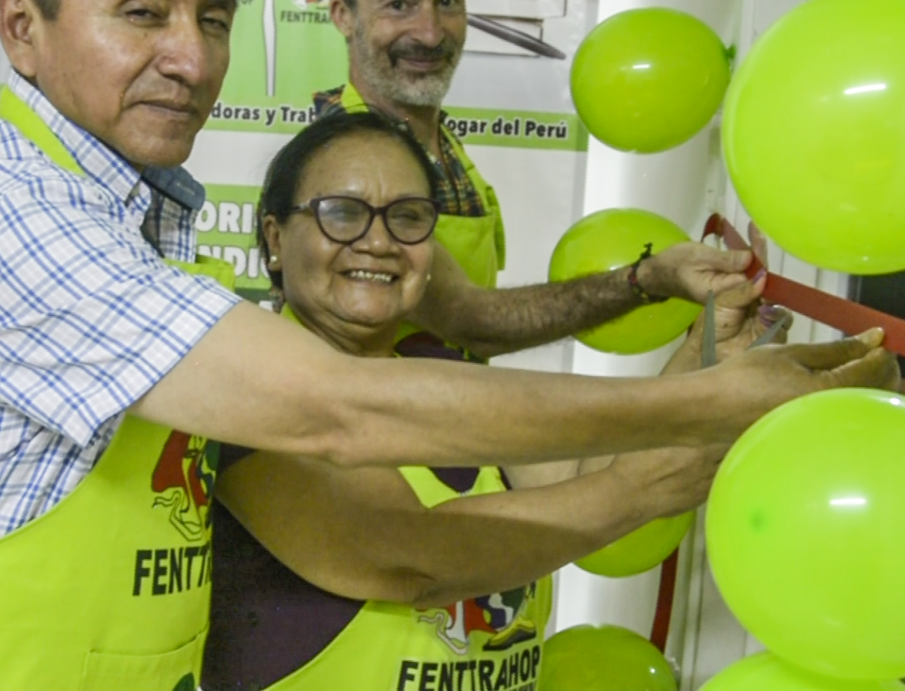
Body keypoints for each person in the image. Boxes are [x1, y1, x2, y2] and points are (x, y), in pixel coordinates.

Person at [0, 0, 896, 689]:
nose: (191, 59)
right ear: (21, 26)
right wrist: (703, 412)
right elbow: (365, 452)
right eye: (142, 12)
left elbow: (541, 434)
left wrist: (711, 361)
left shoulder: (131, 228)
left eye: (216, 16)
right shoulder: (16, 224)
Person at [201, 111, 788, 691]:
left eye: (408, 217)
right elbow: (413, 562)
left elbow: (596, 470)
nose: (378, 242)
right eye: (344, 214)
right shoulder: (249, 402)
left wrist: (711, 352)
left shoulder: (450, 375)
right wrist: (643, 488)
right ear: (276, 240)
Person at [320, 0, 755, 362]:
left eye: (447, 1)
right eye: (399, 5)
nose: (430, 33)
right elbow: (473, 322)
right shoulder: (347, 161)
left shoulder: (435, 140)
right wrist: (648, 279)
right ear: (344, 15)